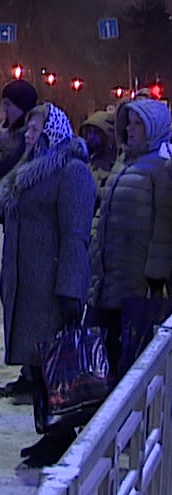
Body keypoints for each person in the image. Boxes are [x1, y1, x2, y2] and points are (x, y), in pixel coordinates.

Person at [0, 103, 96, 464]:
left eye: (36, 129)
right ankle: (47, 431)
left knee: (56, 368)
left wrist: (71, 290)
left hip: (51, 290)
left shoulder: (72, 172)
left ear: (53, 131)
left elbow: (75, 237)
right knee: (38, 366)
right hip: (28, 288)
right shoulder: (29, 170)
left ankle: (60, 434)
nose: (29, 135)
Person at [88, 97, 172, 370]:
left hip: (138, 286)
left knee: (131, 364)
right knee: (103, 358)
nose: (130, 130)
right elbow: (104, 213)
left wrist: (155, 279)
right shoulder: (123, 164)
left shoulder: (162, 169)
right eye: (129, 124)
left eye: (139, 124)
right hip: (108, 279)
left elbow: (163, 229)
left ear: (154, 127)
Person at [0, 79, 39, 185]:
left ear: (22, 107)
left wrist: (3, 143)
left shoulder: (26, 137)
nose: (4, 109)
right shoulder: (31, 131)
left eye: (8, 104)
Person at [79, 110, 117, 201]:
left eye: (96, 133)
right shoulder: (86, 160)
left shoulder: (113, 165)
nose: (90, 137)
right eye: (89, 132)